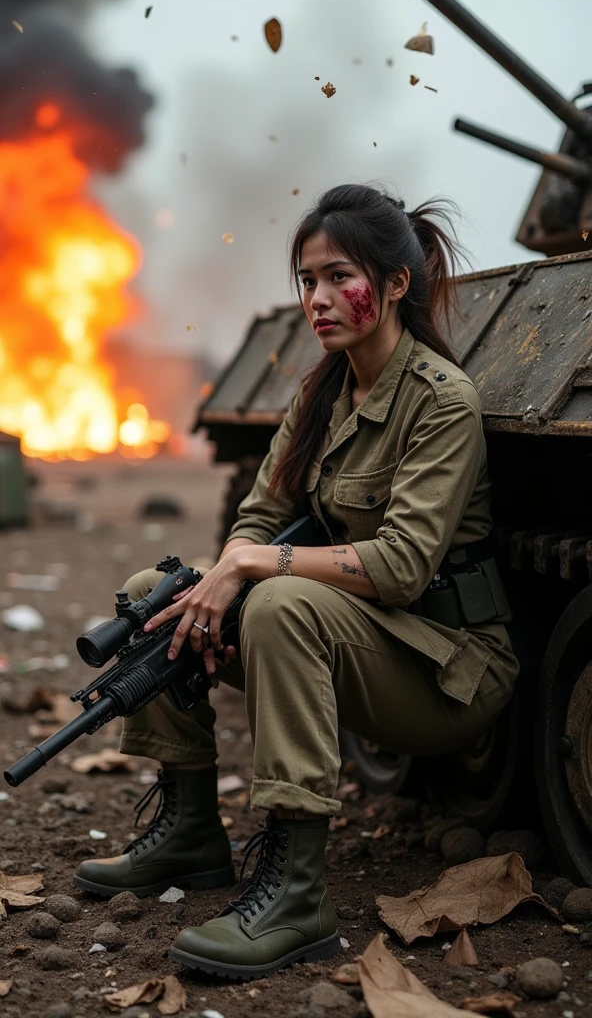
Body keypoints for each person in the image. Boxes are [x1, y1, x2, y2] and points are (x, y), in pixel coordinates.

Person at [73, 184, 519, 980]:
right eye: (305, 280)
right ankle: (190, 833)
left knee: (275, 600)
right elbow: (259, 515)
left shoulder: (443, 403)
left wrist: (249, 568)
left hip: (447, 669)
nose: (316, 299)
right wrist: (219, 578)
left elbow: (399, 565)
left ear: (393, 285)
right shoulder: (321, 394)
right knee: (157, 588)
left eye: (335, 276)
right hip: (359, 645)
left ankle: (298, 894)